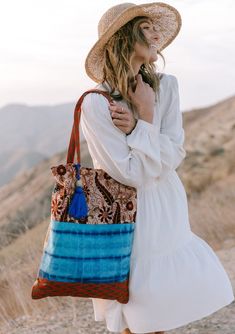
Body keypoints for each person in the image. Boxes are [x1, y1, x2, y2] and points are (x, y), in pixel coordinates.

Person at [80, 2, 235, 334]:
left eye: (154, 27)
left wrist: (139, 121)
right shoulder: (96, 103)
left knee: (158, 317)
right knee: (135, 316)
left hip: (165, 207)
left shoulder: (167, 87)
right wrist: (147, 121)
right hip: (125, 215)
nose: (155, 34)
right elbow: (130, 174)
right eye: (145, 27)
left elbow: (174, 152)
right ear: (122, 38)